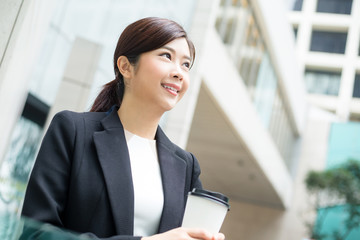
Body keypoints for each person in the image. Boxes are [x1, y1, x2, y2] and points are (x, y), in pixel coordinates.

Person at [21, 17, 226, 240]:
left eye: (186, 64)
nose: (179, 72)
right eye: (166, 56)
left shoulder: (186, 165)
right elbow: (36, 234)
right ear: (126, 66)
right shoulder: (72, 131)